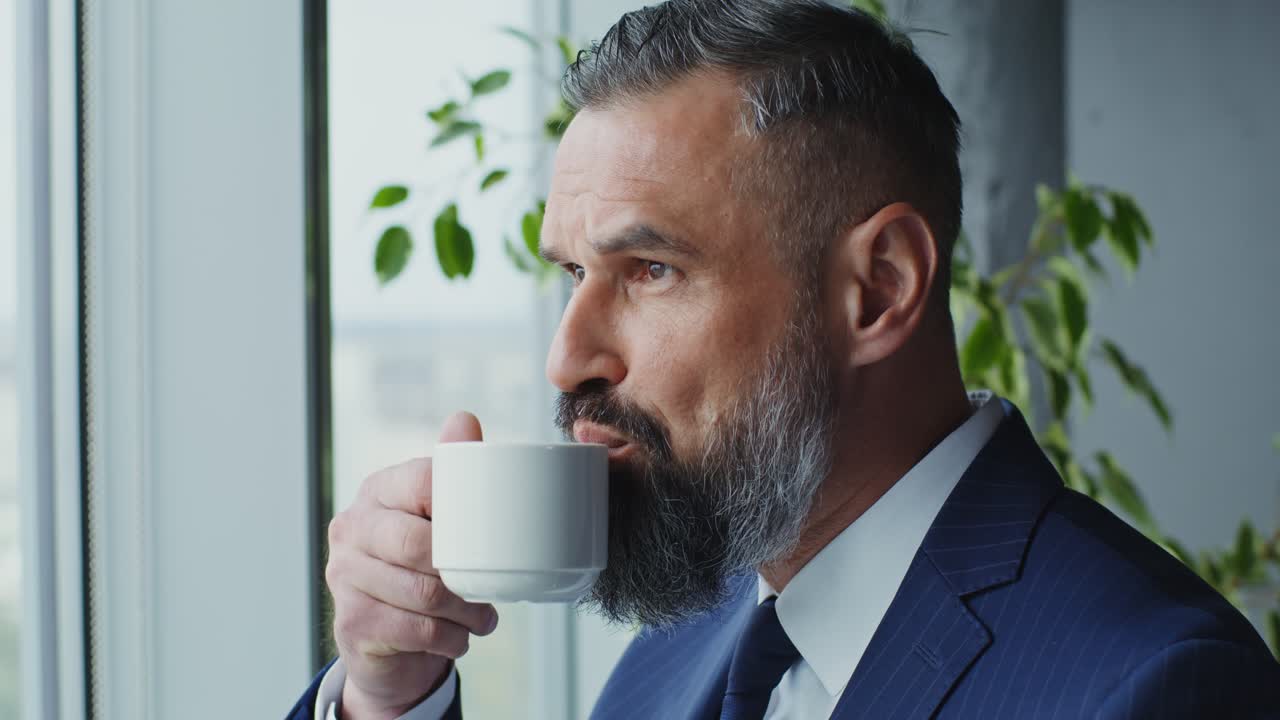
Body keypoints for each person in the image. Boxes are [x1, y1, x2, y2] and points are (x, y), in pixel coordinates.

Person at [287, 1, 1280, 718]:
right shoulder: (689, 642)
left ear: (878, 288)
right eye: (569, 272)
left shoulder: (1156, 687)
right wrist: (389, 695)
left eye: (650, 269)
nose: (566, 357)